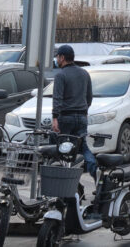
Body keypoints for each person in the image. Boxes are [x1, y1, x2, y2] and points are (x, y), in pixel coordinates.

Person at [51, 44, 97, 177]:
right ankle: (94, 169)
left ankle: (65, 179)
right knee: (83, 147)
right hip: (82, 117)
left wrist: (55, 118)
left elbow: (57, 98)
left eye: (58, 57)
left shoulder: (61, 75)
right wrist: (85, 111)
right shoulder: (84, 73)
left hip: (65, 117)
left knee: (63, 150)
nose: (57, 60)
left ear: (63, 57)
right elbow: (89, 97)